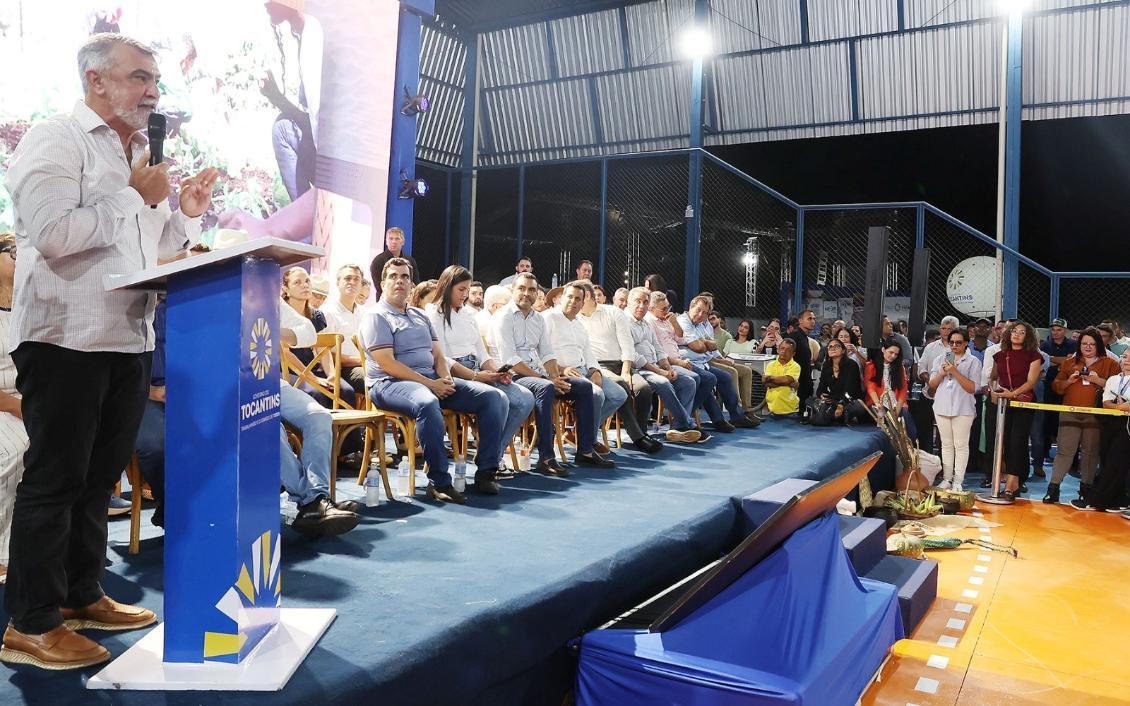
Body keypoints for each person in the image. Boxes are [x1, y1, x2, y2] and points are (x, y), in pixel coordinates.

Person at [0, 33, 220, 670]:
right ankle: (30, 624)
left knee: (96, 482)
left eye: (154, 80)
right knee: (56, 479)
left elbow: (143, 248)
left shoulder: (137, 152)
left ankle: (79, 592)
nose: (153, 91)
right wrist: (133, 195)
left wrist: (185, 216)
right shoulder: (54, 139)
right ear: (97, 81)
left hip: (126, 336)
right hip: (66, 337)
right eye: (140, 78)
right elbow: (53, 234)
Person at [363, 258, 509, 501]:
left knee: (493, 397)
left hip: (430, 379)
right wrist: (430, 385)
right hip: (388, 383)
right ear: (382, 283)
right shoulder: (377, 316)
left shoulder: (420, 316)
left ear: (411, 283)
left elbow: (438, 355)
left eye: (405, 276)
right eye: (393, 276)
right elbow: (388, 363)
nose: (400, 281)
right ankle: (440, 482)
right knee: (427, 402)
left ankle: (486, 470)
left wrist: (445, 379)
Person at [491, 273, 612, 474]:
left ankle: (586, 450)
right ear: (512, 290)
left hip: (537, 374)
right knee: (545, 387)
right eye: (522, 288)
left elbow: (546, 353)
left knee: (583, 386)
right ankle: (546, 457)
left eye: (531, 290)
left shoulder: (537, 318)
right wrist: (547, 380)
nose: (527, 294)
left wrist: (555, 376)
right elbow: (509, 360)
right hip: (511, 375)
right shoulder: (503, 317)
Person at [428, 266, 533, 471]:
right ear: (447, 287)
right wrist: (476, 376)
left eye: (468, 289)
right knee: (500, 398)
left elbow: (481, 353)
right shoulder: (434, 313)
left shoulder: (468, 314)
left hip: (477, 369)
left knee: (526, 398)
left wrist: (496, 372)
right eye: (461, 289)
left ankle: (493, 453)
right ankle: (491, 461)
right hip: (453, 373)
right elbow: (441, 359)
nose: (465, 294)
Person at [577, 281, 663, 453]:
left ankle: (642, 432)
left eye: (578, 298)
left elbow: (627, 345)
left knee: (644, 389)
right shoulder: (576, 319)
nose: (574, 302)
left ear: (586, 297)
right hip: (599, 366)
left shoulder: (613, 312)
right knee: (621, 385)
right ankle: (637, 437)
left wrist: (626, 371)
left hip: (623, 362)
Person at [543, 282, 630, 453]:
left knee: (619, 395)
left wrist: (595, 370)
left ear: (583, 303)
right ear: (561, 298)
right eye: (569, 297)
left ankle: (580, 432)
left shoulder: (579, 323)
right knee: (596, 394)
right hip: (560, 373)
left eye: (578, 299)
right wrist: (561, 369)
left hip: (584, 370)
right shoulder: (548, 318)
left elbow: (588, 352)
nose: (573, 302)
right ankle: (587, 443)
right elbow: (540, 352)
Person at [1043, 328, 1118, 504]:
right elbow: (1056, 386)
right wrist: (1069, 381)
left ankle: (1086, 490)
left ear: (1099, 345)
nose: (1088, 347)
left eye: (1092, 344)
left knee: (1090, 453)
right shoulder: (1069, 362)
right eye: (1084, 343)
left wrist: (1099, 381)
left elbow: (1117, 389)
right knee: (1064, 452)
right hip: (1070, 413)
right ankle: (1053, 489)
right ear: (1079, 345)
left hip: (1095, 415)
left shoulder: (1110, 363)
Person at [625, 288, 703, 443]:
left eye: (645, 302)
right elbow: (633, 356)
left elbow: (659, 349)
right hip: (638, 369)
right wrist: (661, 372)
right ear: (629, 303)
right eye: (638, 302)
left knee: (688, 382)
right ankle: (689, 424)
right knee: (663, 382)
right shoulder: (624, 322)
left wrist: (667, 368)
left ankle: (678, 428)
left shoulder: (645, 323)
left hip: (657, 366)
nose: (641, 306)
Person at [647, 292, 730, 433]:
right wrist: (678, 362)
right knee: (702, 379)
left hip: (684, 360)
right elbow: (695, 347)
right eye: (664, 309)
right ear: (651, 308)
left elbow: (681, 339)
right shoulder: (650, 322)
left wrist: (673, 322)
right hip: (669, 362)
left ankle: (683, 420)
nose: (668, 311)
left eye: (668, 307)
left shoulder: (667, 320)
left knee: (712, 378)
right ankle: (684, 421)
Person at [677, 296, 757, 429]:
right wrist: (703, 343)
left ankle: (736, 416)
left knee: (725, 377)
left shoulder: (701, 324)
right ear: (690, 307)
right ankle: (690, 417)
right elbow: (698, 347)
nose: (701, 315)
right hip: (687, 363)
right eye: (698, 310)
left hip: (702, 362)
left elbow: (713, 346)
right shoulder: (683, 321)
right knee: (709, 379)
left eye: (705, 313)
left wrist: (702, 343)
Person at [988, 321, 1043, 501]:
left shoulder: (1034, 356)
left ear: (1028, 337)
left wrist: (1013, 393)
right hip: (1004, 403)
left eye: (1022, 332)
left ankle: (1012, 484)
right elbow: (993, 378)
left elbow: (1031, 382)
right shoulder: (1000, 355)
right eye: (1014, 331)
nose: (1017, 334)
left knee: (1018, 442)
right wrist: (994, 391)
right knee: (1005, 442)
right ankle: (1010, 481)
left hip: (1023, 402)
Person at [0, 235, 27, 584]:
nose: (21, 260)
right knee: (16, 448)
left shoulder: (28, 307)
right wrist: (21, 407)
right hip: (6, 402)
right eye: (14, 253)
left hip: (29, 400)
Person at [1075, 350, 1130, 511]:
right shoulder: (1113, 379)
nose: (1127, 360)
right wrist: (1121, 406)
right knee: (1107, 460)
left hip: (1126, 426)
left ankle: (1097, 499)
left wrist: (1121, 406)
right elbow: (1106, 402)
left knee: (1116, 461)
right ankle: (1117, 499)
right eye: (1125, 356)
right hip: (1110, 422)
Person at [928, 329, 982, 492]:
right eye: (951, 342)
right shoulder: (940, 359)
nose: (954, 346)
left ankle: (958, 481)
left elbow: (973, 388)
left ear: (966, 343)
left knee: (961, 445)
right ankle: (946, 479)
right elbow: (932, 384)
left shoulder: (973, 361)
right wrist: (942, 373)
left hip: (963, 408)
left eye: (958, 343)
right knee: (946, 444)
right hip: (942, 406)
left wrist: (955, 372)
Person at [1034, 318, 1077, 477]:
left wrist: (1052, 359)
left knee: (1067, 422)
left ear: (1065, 330)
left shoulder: (1073, 345)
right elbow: (1045, 360)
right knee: (1046, 421)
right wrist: (1060, 360)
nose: (1055, 332)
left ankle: (1072, 462)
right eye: (1053, 329)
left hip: (1067, 388)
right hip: (1048, 388)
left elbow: (1071, 363)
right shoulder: (1045, 345)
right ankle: (1043, 457)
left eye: (1059, 329)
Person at [913, 316, 960, 453]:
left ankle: (944, 463)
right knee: (925, 429)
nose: (945, 332)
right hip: (929, 393)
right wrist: (931, 383)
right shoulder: (930, 347)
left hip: (950, 396)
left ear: (956, 330)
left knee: (946, 432)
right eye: (943, 328)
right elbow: (921, 368)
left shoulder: (960, 349)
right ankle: (926, 459)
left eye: (949, 329)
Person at [321, 264, 367, 399]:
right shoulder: (327, 312)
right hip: (339, 369)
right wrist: (360, 360)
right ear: (338, 283)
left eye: (356, 279)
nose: (352, 282)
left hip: (364, 365)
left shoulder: (365, 313)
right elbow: (325, 352)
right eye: (347, 278)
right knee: (372, 379)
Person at [864, 339, 916, 439]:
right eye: (891, 352)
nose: (893, 356)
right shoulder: (871, 366)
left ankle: (910, 445)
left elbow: (903, 389)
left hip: (896, 402)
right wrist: (878, 404)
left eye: (896, 354)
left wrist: (897, 410)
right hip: (877, 401)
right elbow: (870, 387)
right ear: (883, 349)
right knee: (883, 417)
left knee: (909, 426)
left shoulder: (899, 367)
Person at [281, 266, 329, 371]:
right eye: (297, 282)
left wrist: (332, 374)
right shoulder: (280, 314)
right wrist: (313, 379)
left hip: (312, 368)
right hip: (288, 372)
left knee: (345, 388)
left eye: (307, 281)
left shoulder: (317, 316)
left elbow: (323, 349)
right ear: (286, 289)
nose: (305, 285)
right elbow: (285, 353)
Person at [814, 337, 864, 409]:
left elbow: (850, 389)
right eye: (830, 347)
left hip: (850, 400)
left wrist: (841, 404)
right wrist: (821, 395)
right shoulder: (826, 365)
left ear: (843, 350)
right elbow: (821, 386)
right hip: (832, 400)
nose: (833, 348)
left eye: (836, 346)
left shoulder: (851, 365)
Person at [368, 227, 419, 294]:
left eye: (397, 239)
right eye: (391, 239)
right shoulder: (378, 261)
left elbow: (415, 285)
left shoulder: (410, 261)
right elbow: (380, 288)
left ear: (403, 242)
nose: (394, 242)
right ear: (386, 241)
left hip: (406, 301)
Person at [786, 309, 818, 404]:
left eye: (814, 319)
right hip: (796, 384)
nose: (812, 321)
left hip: (804, 382)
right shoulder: (794, 337)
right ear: (800, 321)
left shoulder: (804, 338)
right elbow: (785, 359)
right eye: (809, 318)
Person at [764, 339, 801, 416]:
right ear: (778, 349)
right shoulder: (770, 364)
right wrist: (788, 383)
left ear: (793, 353)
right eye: (782, 348)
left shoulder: (795, 366)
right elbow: (767, 384)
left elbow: (787, 380)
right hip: (771, 411)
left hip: (791, 411)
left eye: (788, 350)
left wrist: (770, 378)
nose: (784, 351)